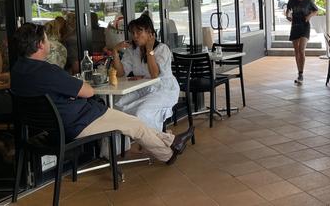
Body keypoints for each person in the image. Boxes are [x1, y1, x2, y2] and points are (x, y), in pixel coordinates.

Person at [10, 23, 194, 165]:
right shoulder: (48, 72)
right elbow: (88, 91)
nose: (50, 43)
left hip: (56, 127)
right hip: (79, 122)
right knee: (135, 124)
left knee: (130, 120)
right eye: (47, 39)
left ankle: (172, 140)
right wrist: (75, 89)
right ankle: (168, 154)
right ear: (40, 45)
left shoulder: (17, 71)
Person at [111, 15, 180, 131]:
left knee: (141, 112)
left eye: (139, 32)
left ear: (150, 33)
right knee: (117, 105)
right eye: (133, 33)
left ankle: (155, 143)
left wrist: (149, 50)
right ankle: (124, 145)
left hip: (164, 89)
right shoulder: (133, 50)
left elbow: (154, 75)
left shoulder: (162, 49)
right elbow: (121, 73)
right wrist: (115, 51)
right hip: (144, 88)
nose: (135, 36)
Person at [284, 0, 318, 85]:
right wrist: (288, 16)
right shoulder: (292, 1)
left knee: (301, 49)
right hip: (295, 26)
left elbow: (316, 10)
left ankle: (301, 73)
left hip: (305, 26)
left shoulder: (308, 1)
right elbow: (288, 12)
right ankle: (299, 72)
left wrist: (309, 16)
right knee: (296, 50)